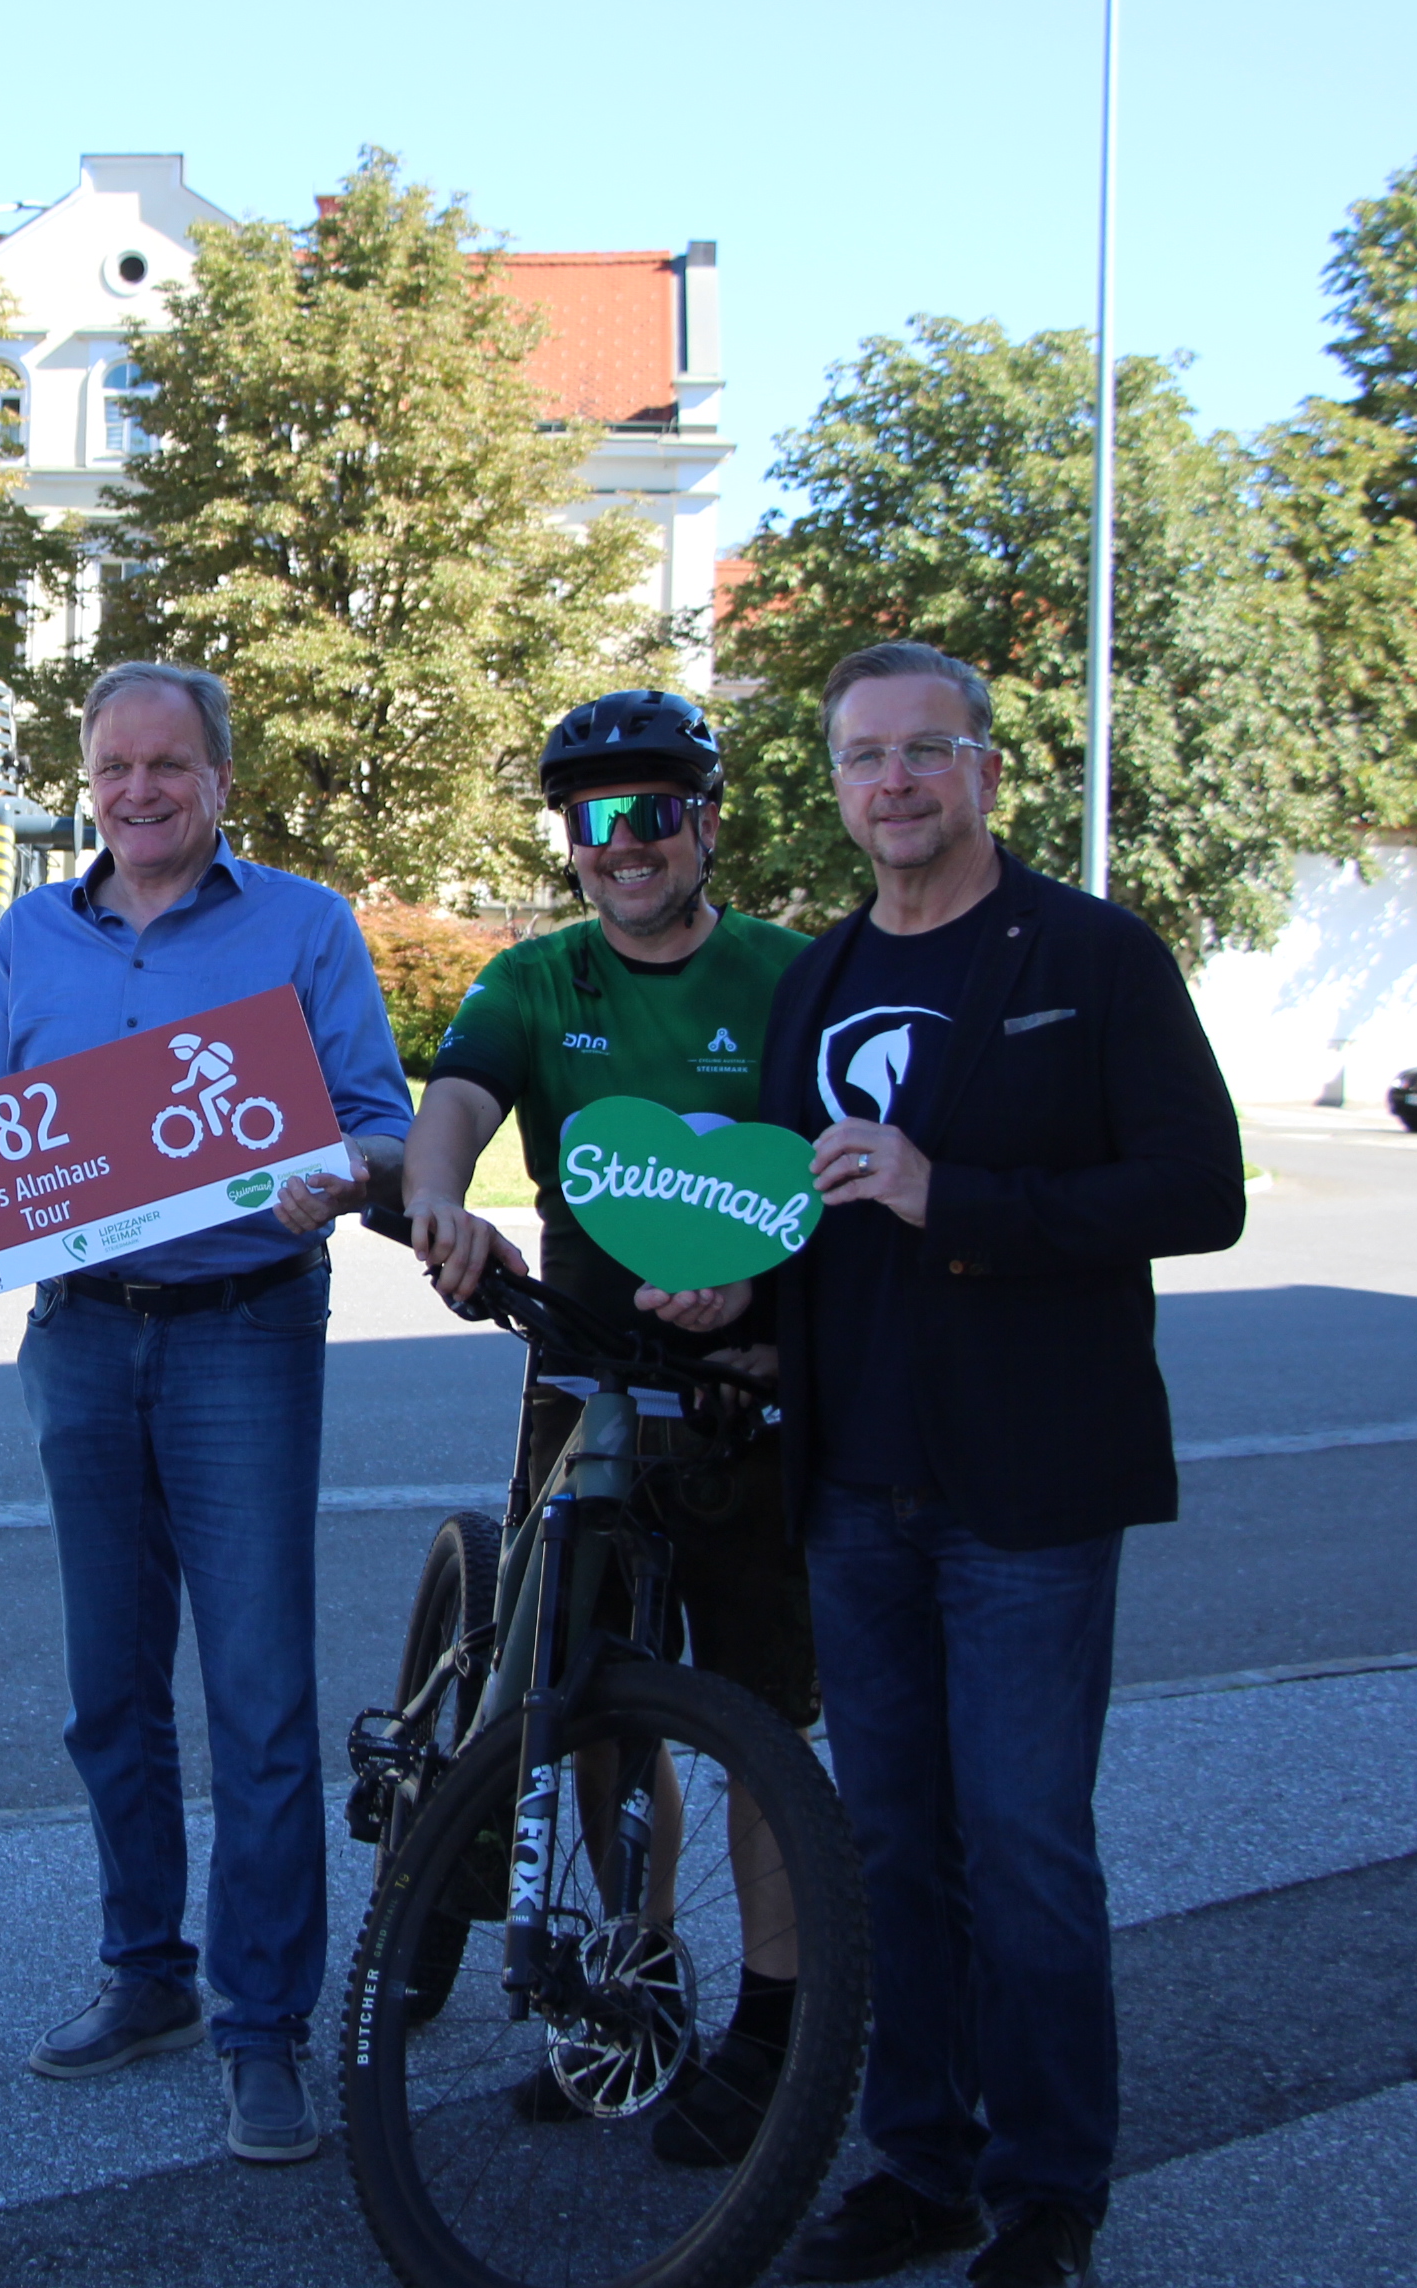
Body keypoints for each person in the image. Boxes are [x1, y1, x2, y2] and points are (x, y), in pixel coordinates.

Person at [760, 643, 1243, 2288]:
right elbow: (799, 1211)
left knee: (1026, 1847)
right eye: (864, 756)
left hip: (1027, 1486)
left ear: (983, 769)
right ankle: (921, 2162)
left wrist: (945, 1195)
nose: (893, 781)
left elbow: (1199, 1192)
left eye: (925, 751)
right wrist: (724, 1290)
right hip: (852, 1482)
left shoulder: (1092, 954)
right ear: (838, 786)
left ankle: (1048, 2191)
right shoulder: (818, 976)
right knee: (892, 1847)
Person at [0, 660, 411, 2167]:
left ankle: (263, 2023)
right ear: (87, 780)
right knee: (108, 1689)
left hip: (243, 1332)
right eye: (114, 767)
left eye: (167, 765)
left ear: (220, 781)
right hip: (81, 1336)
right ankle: (145, 1971)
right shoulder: (31, 932)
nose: (138, 791)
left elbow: (383, 1121)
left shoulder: (304, 924)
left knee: (260, 1696)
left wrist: (338, 1171)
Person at [398, 687, 819, 2165]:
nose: (623, 842)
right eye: (593, 818)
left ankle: (771, 2031)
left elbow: (839, 1166)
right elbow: (457, 1106)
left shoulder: (792, 975)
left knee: (761, 1725)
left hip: (748, 1376)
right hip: (584, 1370)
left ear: (706, 822)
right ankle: (635, 1990)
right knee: (589, 1710)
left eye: (652, 811)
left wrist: (763, 1302)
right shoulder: (537, 977)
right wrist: (439, 1200)